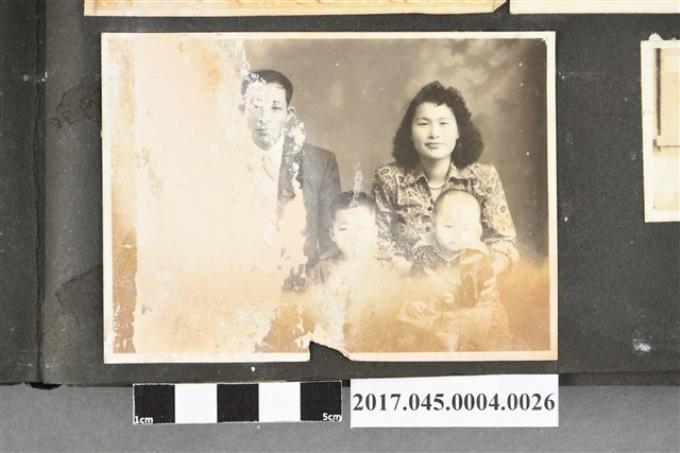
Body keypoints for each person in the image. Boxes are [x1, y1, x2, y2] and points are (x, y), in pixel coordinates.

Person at [371, 81, 519, 281]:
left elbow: (504, 242)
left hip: (472, 284)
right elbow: (378, 246)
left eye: (443, 123)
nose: (434, 134)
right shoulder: (387, 178)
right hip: (408, 286)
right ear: (410, 132)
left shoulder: (484, 178)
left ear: (458, 131)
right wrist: (418, 275)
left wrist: (488, 270)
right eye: (423, 124)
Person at [241, 69, 341, 277]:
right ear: (242, 110)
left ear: (289, 115)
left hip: (301, 281)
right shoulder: (223, 160)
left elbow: (330, 244)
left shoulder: (319, 163)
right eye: (256, 107)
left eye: (275, 108)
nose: (264, 118)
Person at [398, 189, 512, 351]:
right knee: (409, 322)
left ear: (476, 230)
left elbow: (478, 291)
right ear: (433, 223)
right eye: (448, 226)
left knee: (471, 325)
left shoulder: (476, 254)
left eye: (465, 229)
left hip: (468, 305)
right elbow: (415, 279)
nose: (456, 234)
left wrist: (458, 297)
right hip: (432, 302)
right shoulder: (425, 250)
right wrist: (417, 298)